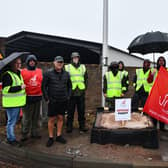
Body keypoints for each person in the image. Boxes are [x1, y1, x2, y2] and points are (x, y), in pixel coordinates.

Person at [42, 56, 72, 147]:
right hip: (52, 101)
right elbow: (43, 87)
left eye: (61, 62)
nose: (60, 63)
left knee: (60, 118)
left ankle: (58, 136)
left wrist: (68, 96)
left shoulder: (66, 74)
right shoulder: (48, 73)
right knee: (51, 119)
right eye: (58, 62)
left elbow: (70, 86)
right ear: (54, 62)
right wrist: (47, 99)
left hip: (63, 100)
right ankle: (51, 137)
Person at [2, 58, 26, 146]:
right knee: (11, 122)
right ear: (12, 64)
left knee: (13, 121)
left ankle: (11, 137)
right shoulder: (7, 75)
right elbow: (5, 90)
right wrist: (20, 87)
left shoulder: (18, 73)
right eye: (17, 63)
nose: (19, 65)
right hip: (11, 104)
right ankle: (11, 139)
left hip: (17, 103)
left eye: (20, 63)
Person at [65, 52, 88, 133]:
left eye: (77, 57)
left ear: (79, 58)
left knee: (81, 111)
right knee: (70, 111)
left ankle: (82, 126)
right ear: (71, 58)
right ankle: (69, 126)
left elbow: (86, 79)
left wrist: (84, 89)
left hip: (81, 92)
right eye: (74, 57)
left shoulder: (83, 67)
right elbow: (65, 80)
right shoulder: (67, 67)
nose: (75, 59)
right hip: (71, 92)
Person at [21, 55, 43, 141]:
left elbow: (43, 83)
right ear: (27, 62)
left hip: (38, 98)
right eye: (30, 61)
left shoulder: (40, 71)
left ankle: (35, 133)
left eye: (34, 61)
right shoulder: (23, 72)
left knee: (37, 117)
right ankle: (24, 134)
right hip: (27, 98)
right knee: (27, 118)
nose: (32, 62)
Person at [147, 56, 166, 131]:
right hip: (155, 94)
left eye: (163, 61)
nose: (161, 62)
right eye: (160, 60)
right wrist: (152, 74)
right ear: (157, 62)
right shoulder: (153, 70)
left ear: (164, 62)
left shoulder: (166, 70)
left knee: (162, 112)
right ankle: (154, 127)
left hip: (163, 95)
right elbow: (149, 81)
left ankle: (162, 128)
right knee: (154, 111)